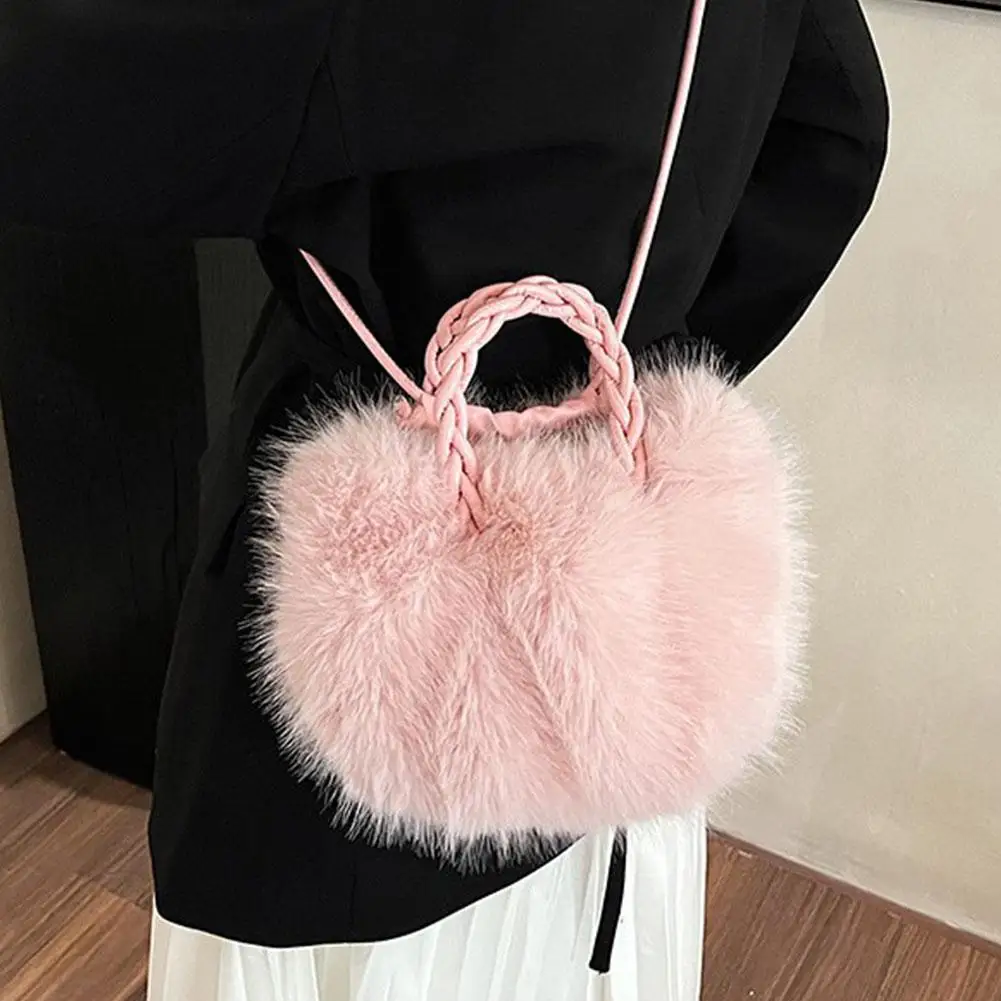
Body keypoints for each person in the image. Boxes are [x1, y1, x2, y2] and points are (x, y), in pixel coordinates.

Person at [1, 1, 888, 998]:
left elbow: (45, 99)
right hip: (622, 607)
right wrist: (608, 385)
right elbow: (838, 128)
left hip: (356, 799)